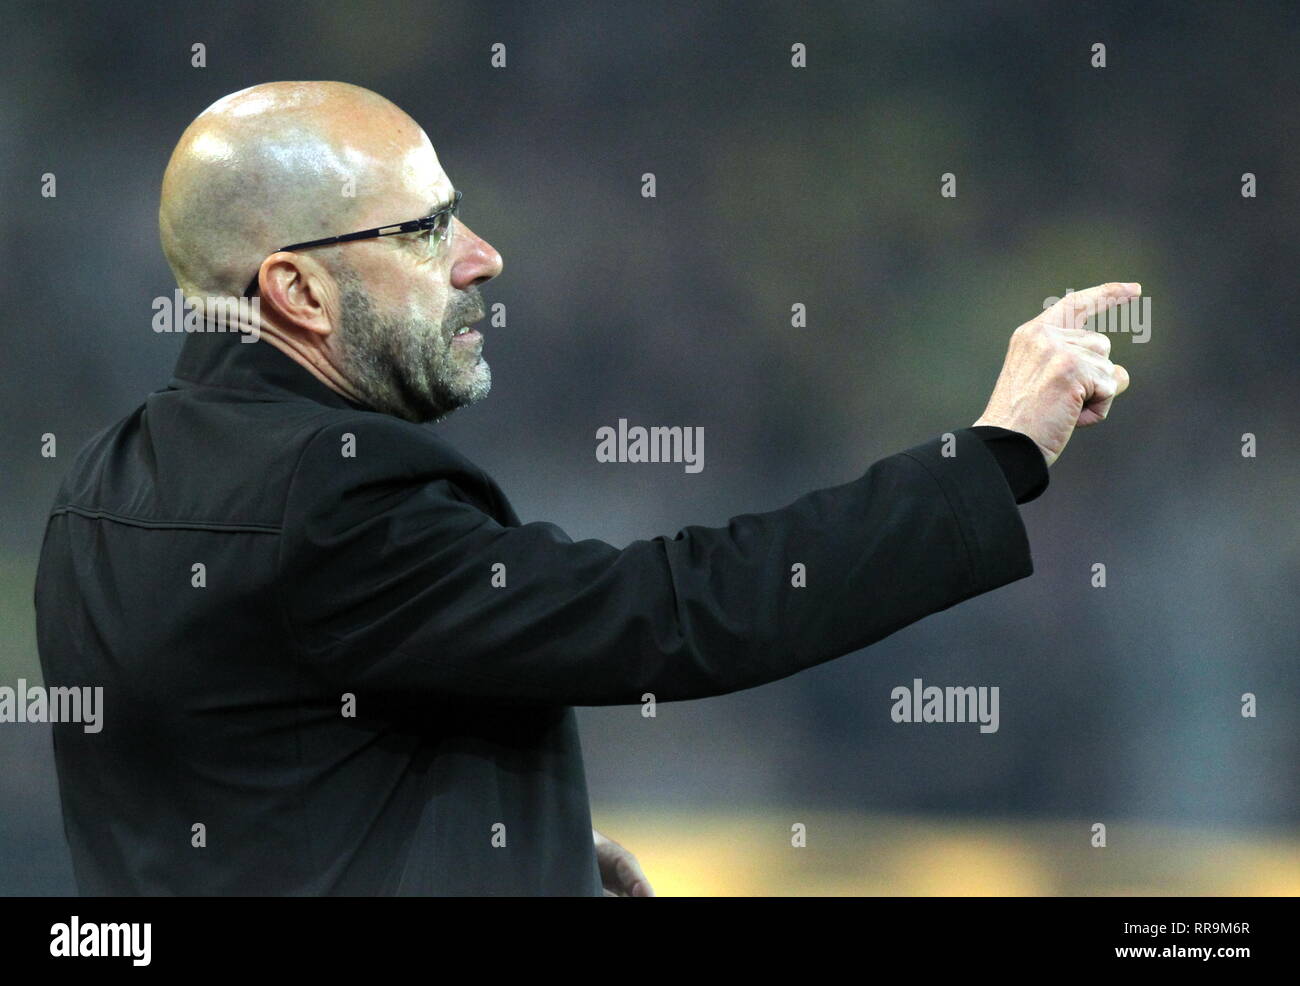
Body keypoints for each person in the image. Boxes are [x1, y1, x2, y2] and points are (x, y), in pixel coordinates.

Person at [34, 81, 1135, 896]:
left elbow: (250, 788)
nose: (481, 256)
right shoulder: (332, 492)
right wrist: (997, 455)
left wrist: (521, 851)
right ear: (297, 289)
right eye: (423, 230)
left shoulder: (98, 483)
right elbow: (669, 613)